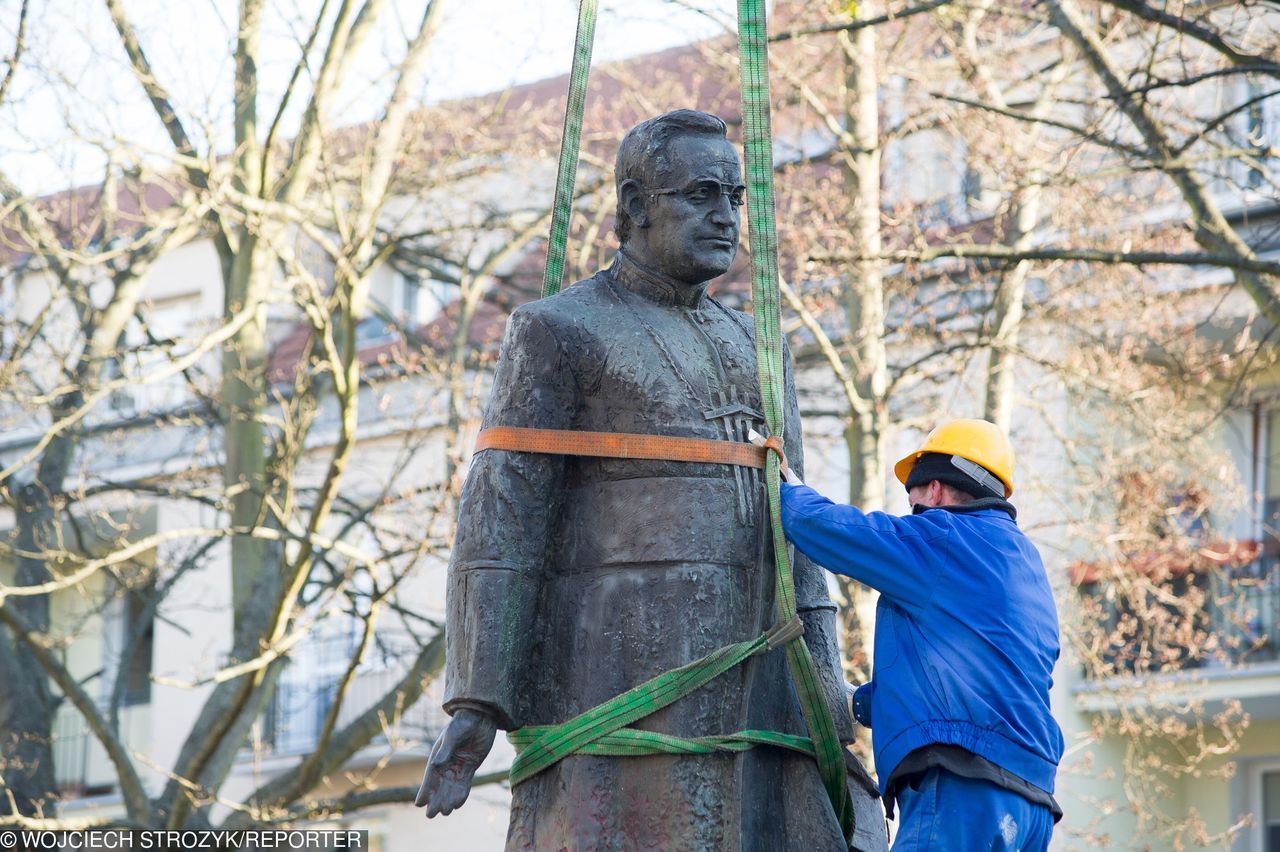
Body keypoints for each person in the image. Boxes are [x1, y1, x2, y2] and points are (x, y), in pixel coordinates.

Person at [416, 110, 884, 851]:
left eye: (734, 196)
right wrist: (476, 700)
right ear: (634, 205)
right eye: (702, 194)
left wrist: (829, 716)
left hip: (762, 694)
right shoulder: (560, 330)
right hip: (620, 684)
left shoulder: (763, 348)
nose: (727, 217)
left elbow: (797, 545)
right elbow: (504, 519)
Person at [779, 418, 1064, 850]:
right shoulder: (1024, 562)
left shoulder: (944, 538)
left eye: (911, 502)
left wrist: (785, 488)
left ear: (934, 490)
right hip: (1031, 804)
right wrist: (857, 701)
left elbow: (832, 530)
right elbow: (976, 681)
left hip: (962, 787)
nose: (911, 515)